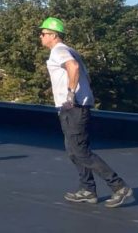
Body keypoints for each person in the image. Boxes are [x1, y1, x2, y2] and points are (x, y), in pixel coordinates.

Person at [39, 17, 132, 208]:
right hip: (76, 107)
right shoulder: (70, 51)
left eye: (43, 33)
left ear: (53, 35)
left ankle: (119, 187)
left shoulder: (59, 50)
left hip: (73, 107)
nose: (40, 37)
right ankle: (88, 190)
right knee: (73, 151)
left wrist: (71, 94)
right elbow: (85, 76)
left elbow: (72, 68)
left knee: (80, 151)